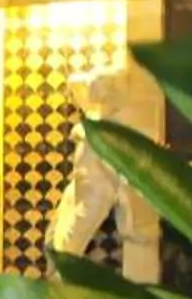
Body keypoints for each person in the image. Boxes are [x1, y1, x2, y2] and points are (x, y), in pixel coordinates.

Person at [49, 60, 139, 255]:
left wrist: (126, 213)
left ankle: (64, 282)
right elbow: (76, 83)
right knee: (54, 240)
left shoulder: (111, 129)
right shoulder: (96, 119)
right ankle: (56, 280)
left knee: (68, 247)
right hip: (79, 186)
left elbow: (116, 171)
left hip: (94, 193)